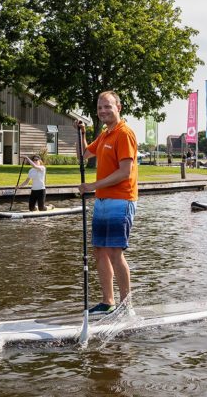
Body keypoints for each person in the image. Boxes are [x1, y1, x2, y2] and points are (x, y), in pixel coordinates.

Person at [75, 91, 139, 315]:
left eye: (108, 107)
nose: (103, 111)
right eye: (100, 107)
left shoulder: (124, 134)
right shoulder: (104, 135)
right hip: (102, 201)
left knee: (114, 251)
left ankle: (125, 305)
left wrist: (92, 186)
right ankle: (107, 301)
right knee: (99, 251)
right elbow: (83, 154)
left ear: (118, 107)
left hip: (121, 200)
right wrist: (80, 133)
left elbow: (125, 172)